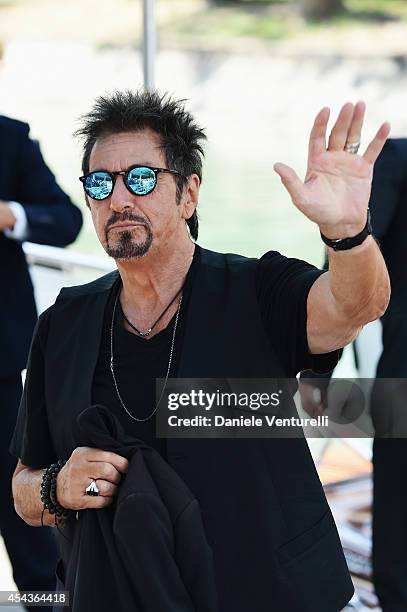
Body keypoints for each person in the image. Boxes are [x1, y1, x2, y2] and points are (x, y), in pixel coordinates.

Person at [9, 91, 390, 611]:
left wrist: (347, 234)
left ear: (189, 194)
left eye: (141, 179)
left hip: (268, 594)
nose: (119, 199)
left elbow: (354, 307)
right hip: (119, 594)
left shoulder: (258, 288)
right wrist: (58, 486)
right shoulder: (63, 324)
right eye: (101, 183)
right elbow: (25, 491)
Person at [0, 112, 83, 602]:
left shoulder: (9, 138)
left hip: (2, 376)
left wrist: (10, 214)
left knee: (31, 536)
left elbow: (66, 218)